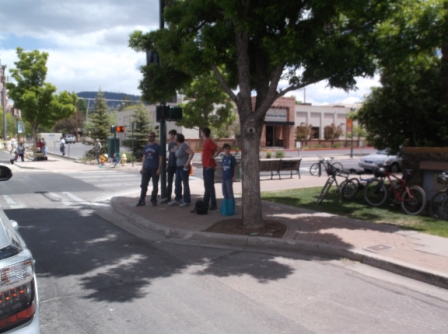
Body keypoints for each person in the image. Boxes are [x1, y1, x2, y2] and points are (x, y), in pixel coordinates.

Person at [137, 132, 162, 207]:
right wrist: (142, 167)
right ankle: (142, 200)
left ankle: (153, 200)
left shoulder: (157, 147)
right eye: (148, 136)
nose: (149, 138)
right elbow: (144, 157)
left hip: (154, 168)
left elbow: (161, 157)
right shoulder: (146, 147)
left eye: (151, 137)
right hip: (146, 168)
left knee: (155, 185)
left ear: (154, 137)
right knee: (144, 185)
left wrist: (159, 169)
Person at [168, 133, 194, 207]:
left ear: (178, 139)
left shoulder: (183, 145)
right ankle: (178, 198)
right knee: (177, 183)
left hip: (183, 167)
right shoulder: (179, 146)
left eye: (175, 138)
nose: (174, 139)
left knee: (185, 183)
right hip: (178, 167)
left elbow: (191, 153)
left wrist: (187, 163)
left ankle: (187, 200)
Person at [201, 127, 222, 210]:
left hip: (209, 166)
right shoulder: (205, 142)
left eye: (201, 131)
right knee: (207, 185)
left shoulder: (209, 141)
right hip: (205, 166)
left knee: (210, 186)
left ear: (203, 132)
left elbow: (219, 148)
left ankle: (213, 203)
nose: (200, 133)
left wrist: (214, 156)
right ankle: (205, 202)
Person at [219, 143, 238, 215]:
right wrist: (219, 168)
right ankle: (226, 208)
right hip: (224, 177)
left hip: (229, 178)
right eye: (225, 149)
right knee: (224, 193)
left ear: (230, 149)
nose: (226, 150)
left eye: (228, 149)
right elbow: (224, 166)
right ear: (224, 150)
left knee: (230, 193)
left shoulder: (232, 158)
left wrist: (234, 176)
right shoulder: (224, 157)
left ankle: (231, 208)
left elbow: (236, 166)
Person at [161, 129, 178, 204]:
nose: (169, 136)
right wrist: (167, 164)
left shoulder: (178, 144)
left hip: (177, 165)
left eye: (170, 135)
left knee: (177, 182)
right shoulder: (170, 144)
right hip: (171, 165)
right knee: (169, 182)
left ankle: (178, 197)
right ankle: (168, 197)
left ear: (174, 135)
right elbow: (170, 155)